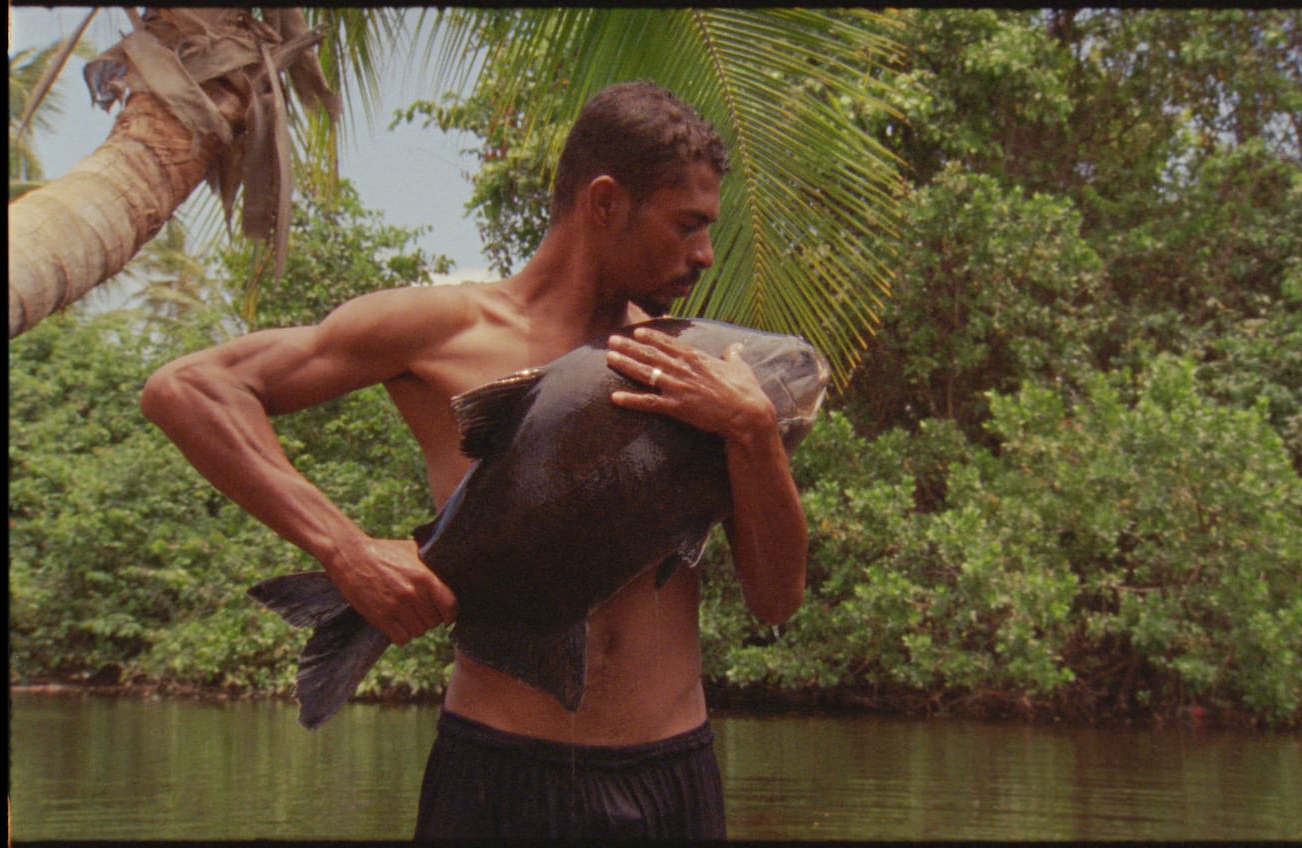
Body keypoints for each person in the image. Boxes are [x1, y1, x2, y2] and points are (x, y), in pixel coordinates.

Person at [140, 80, 808, 840]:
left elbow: (777, 601)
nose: (704, 254)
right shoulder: (441, 330)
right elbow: (188, 388)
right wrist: (344, 547)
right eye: (687, 224)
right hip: (497, 773)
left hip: (670, 776)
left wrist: (754, 434)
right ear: (605, 203)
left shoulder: (694, 366)